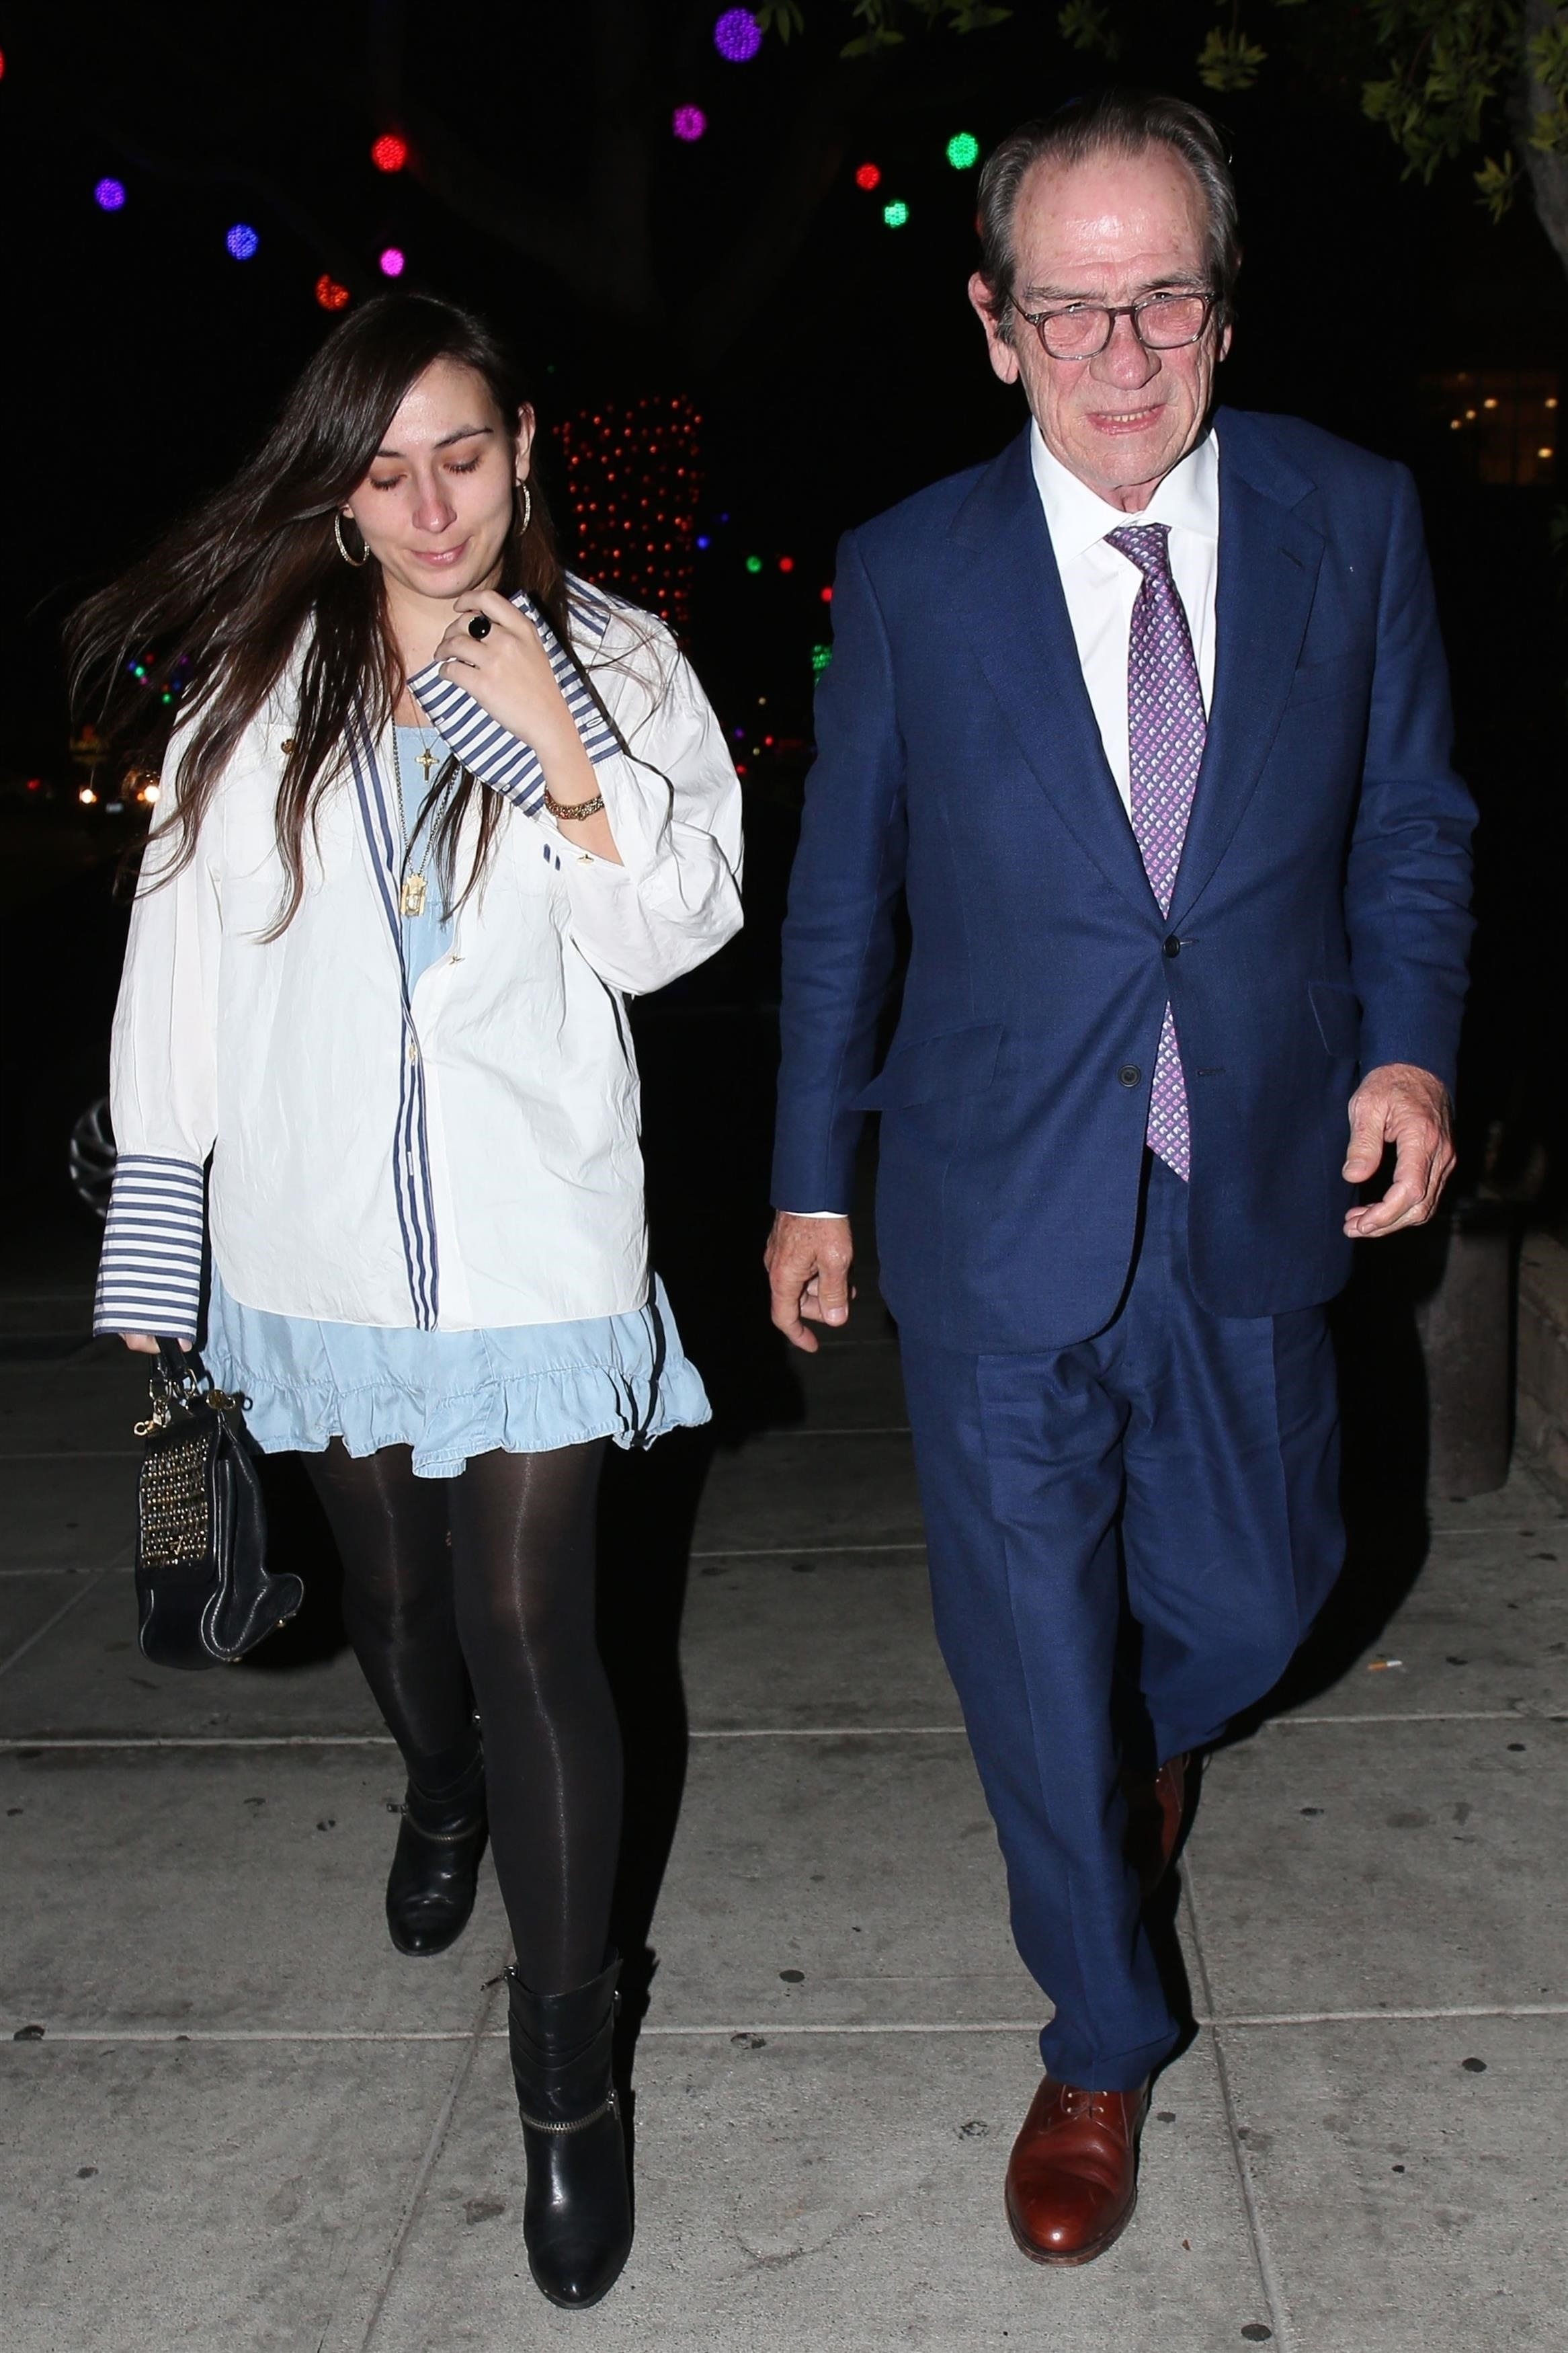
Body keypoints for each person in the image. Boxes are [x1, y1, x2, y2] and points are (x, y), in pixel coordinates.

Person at [766, 90, 1474, 2267]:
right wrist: (810, 1177)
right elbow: (840, 898)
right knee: (1018, 1643)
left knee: (1262, 1594)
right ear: (994, 328)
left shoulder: (1354, 522)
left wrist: (1410, 1046)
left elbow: (1410, 826)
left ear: (1222, 311)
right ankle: (1097, 2029)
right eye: (1066, 306)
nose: (1118, 345)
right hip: (989, 1186)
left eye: (1159, 294)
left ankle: (1118, 1760)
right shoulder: (903, 573)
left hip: (1250, 1159)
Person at [75, 292, 742, 2311]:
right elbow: (177, 971)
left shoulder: (617, 658)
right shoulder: (252, 683)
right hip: (319, 1245)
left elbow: (672, 931)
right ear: (338, 486)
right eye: (384, 468)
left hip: (536, 1235)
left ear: (525, 445)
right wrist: (157, 1244)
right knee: (396, 1605)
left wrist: (552, 744)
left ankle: (565, 2086)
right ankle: (435, 1783)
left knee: (537, 1615)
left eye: (463, 453)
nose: (430, 502)